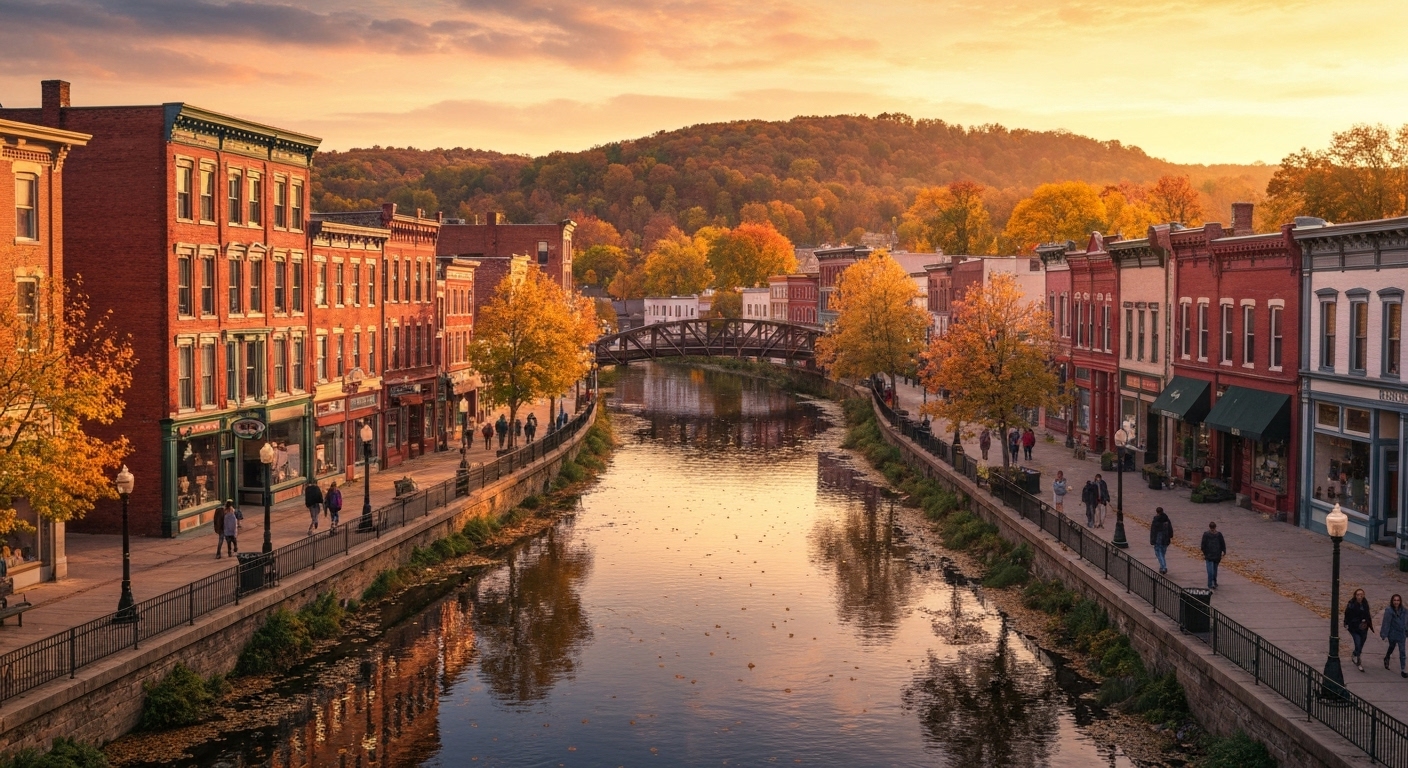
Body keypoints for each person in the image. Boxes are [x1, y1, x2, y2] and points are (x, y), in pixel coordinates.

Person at [1345, 588, 1373, 672]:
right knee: (1357, 643)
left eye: (1361, 594)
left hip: (1363, 628)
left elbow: (1367, 614)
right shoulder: (1352, 604)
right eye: (1358, 595)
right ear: (1355, 595)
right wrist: (1347, 623)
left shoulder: (1365, 604)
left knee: (1361, 644)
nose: (1359, 596)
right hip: (1354, 628)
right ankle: (1358, 661)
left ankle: (1355, 654)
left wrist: (1367, 623)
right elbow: (1347, 614)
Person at [1383, 594, 1408, 678]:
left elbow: (1406, 622)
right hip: (1392, 633)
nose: (1396, 602)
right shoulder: (1389, 610)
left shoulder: (1404, 611)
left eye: (1398, 600)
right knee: (1392, 646)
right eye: (1395, 600)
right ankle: (1387, 657)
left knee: (1402, 651)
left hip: (1401, 634)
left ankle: (1403, 669)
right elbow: (1386, 623)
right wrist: (1384, 634)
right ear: (1392, 601)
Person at [1200, 521, 1226, 589]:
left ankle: (1213, 582)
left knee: (1213, 571)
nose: (1213, 530)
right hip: (1213, 555)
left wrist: (1223, 551)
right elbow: (1203, 545)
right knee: (1212, 571)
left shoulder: (1210, 534)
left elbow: (1222, 543)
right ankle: (1211, 583)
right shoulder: (1214, 535)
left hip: (1214, 555)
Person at [1149, 507, 1174, 574]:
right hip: (1165, 538)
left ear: (1157, 512)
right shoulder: (1166, 519)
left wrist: (1152, 540)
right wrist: (1170, 536)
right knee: (1162, 552)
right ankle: (1162, 566)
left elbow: (1153, 531)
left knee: (1158, 553)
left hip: (1158, 538)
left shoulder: (1156, 520)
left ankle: (1163, 567)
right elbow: (1170, 528)